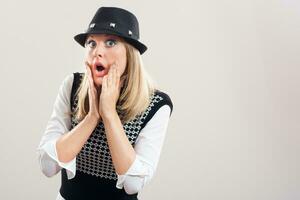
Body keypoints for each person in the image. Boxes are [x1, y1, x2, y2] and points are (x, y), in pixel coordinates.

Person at [36, 6, 173, 200]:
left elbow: (132, 184)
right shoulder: (72, 86)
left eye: (110, 42)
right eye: (91, 43)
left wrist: (109, 114)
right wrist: (92, 117)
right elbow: (48, 166)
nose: (97, 52)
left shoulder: (156, 105)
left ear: (130, 54)